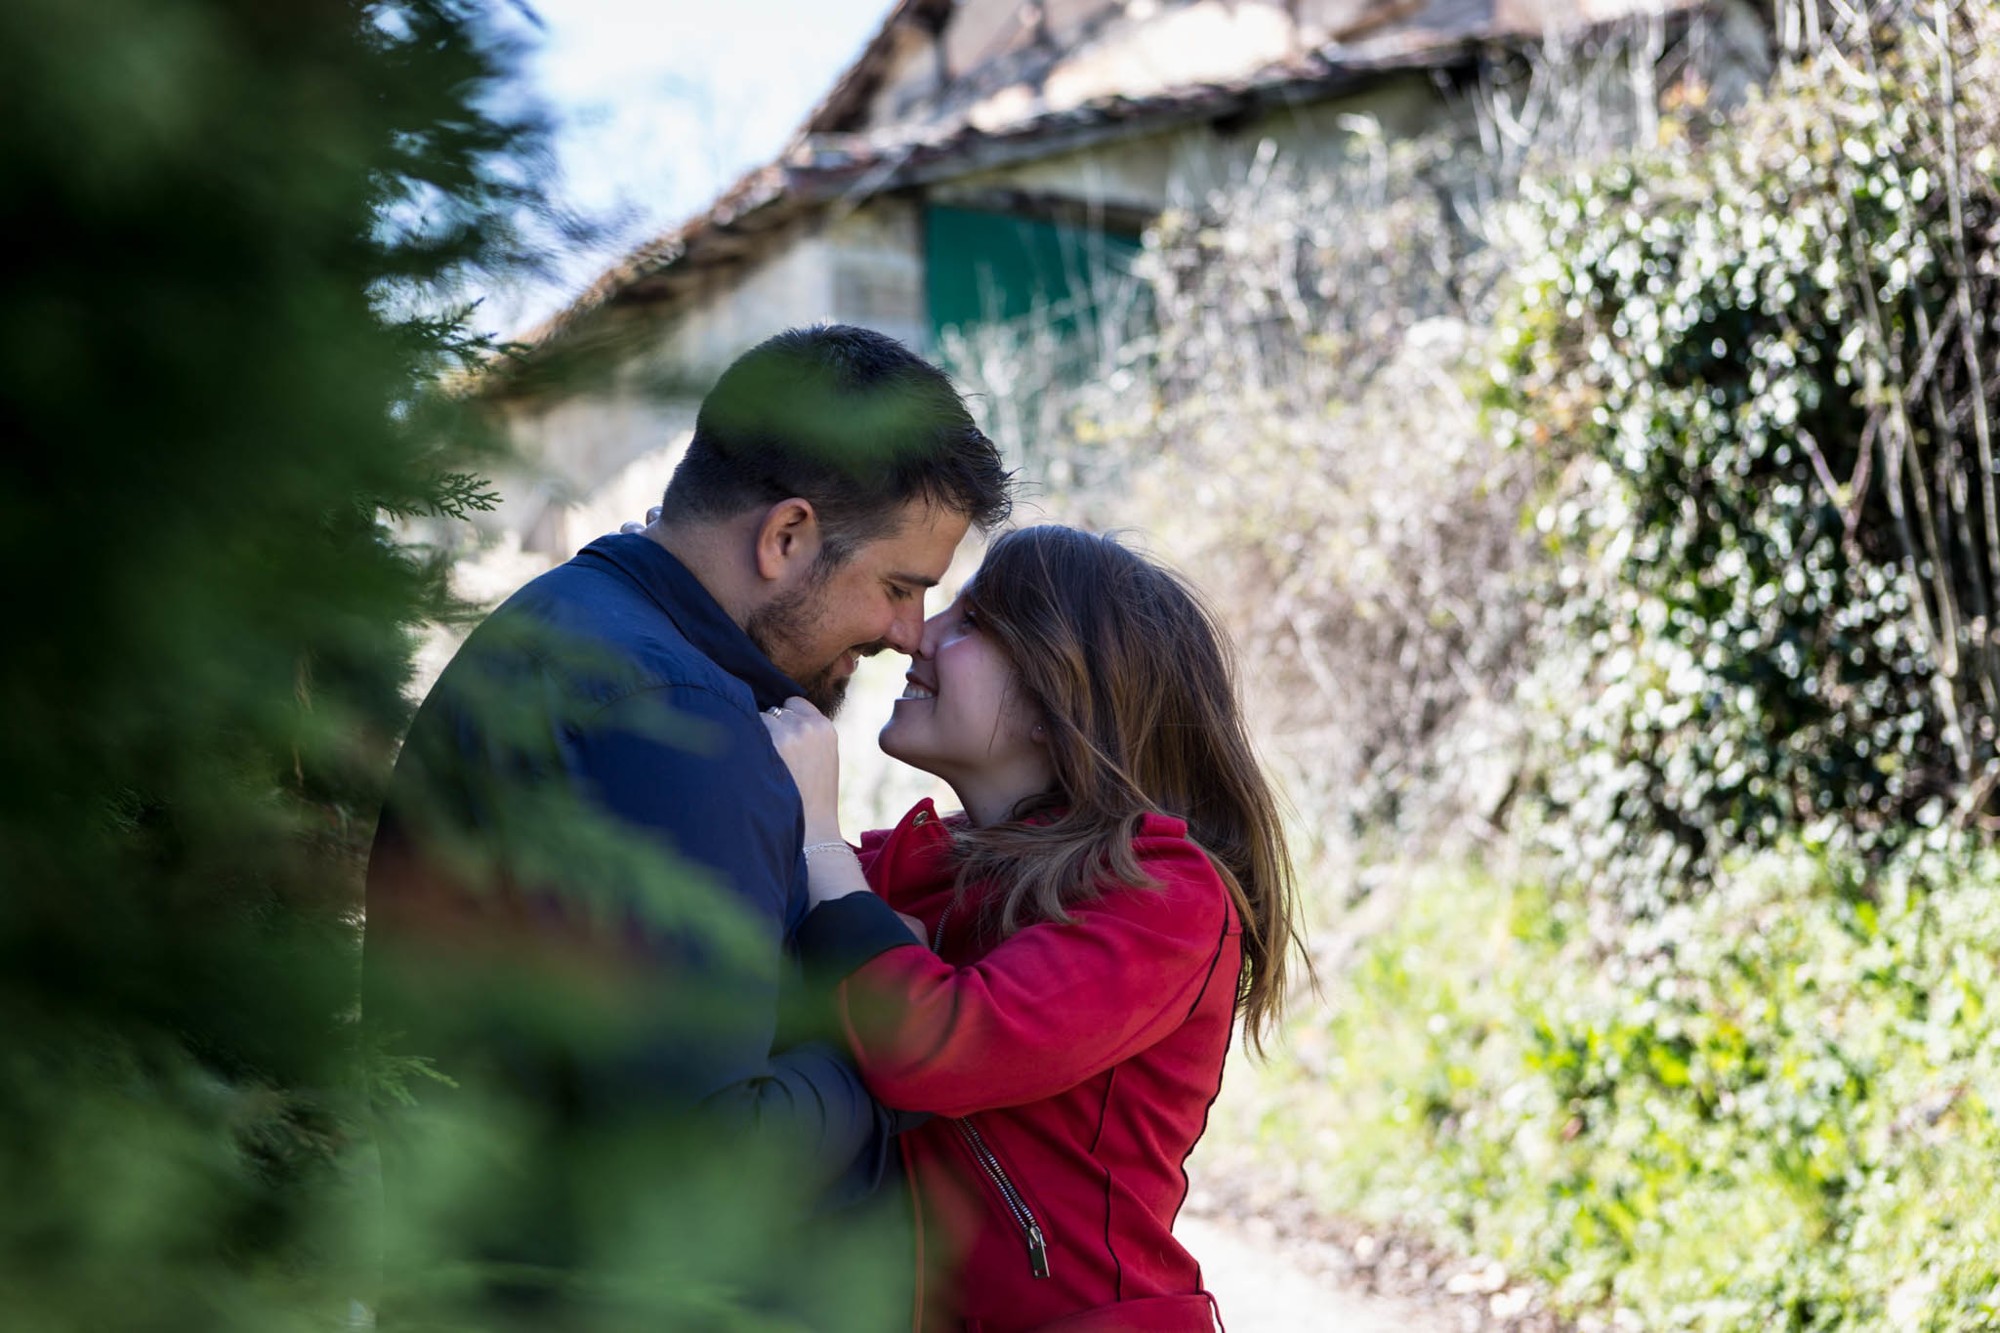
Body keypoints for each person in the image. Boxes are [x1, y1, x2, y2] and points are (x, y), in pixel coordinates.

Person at [362, 325, 1012, 1317]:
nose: (905, 635)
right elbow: (708, 1158)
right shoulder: (671, 716)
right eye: (896, 587)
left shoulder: (570, 627)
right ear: (785, 536)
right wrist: (886, 1041)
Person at [764, 525, 1306, 1333]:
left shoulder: (1168, 897)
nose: (915, 632)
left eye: (973, 621)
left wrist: (819, 840)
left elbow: (938, 1045)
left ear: (1061, 702)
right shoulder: (919, 865)